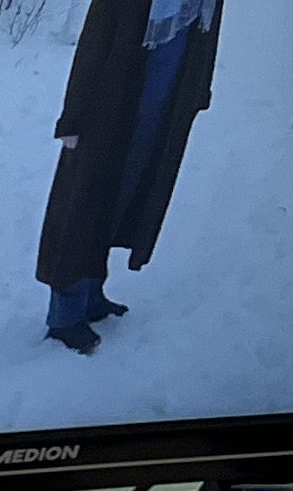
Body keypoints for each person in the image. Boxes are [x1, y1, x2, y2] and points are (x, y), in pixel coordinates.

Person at [38, 0, 221, 352]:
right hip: (107, 107)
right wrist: (73, 116)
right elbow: (94, 40)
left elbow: (206, 37)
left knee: (121, 198)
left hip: (160, 110)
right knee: (82, 206)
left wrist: (199, 91)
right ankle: (65, 316)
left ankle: (91, 293)